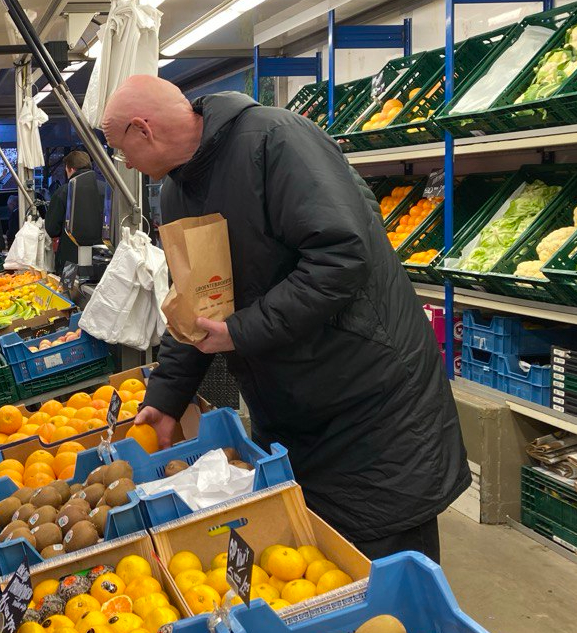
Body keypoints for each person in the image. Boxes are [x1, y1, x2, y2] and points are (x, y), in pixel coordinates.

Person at [102, 75, 468, 563]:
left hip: (368, 403)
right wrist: (168, 398)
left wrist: (241, 331)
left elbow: (342, 257)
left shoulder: (276, 141)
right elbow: (195, 303)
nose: (125, 164)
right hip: (293, 408)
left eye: (121, 150)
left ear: (143, 130)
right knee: (320, 565)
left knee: (388, 570)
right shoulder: (177, 193)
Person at [44, 150, 107, 274]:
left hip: (70, 261)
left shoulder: (63, 191)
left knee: (68, 291)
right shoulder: (106, 189)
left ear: (70, 169)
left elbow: (52, 229)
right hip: (101, 259)